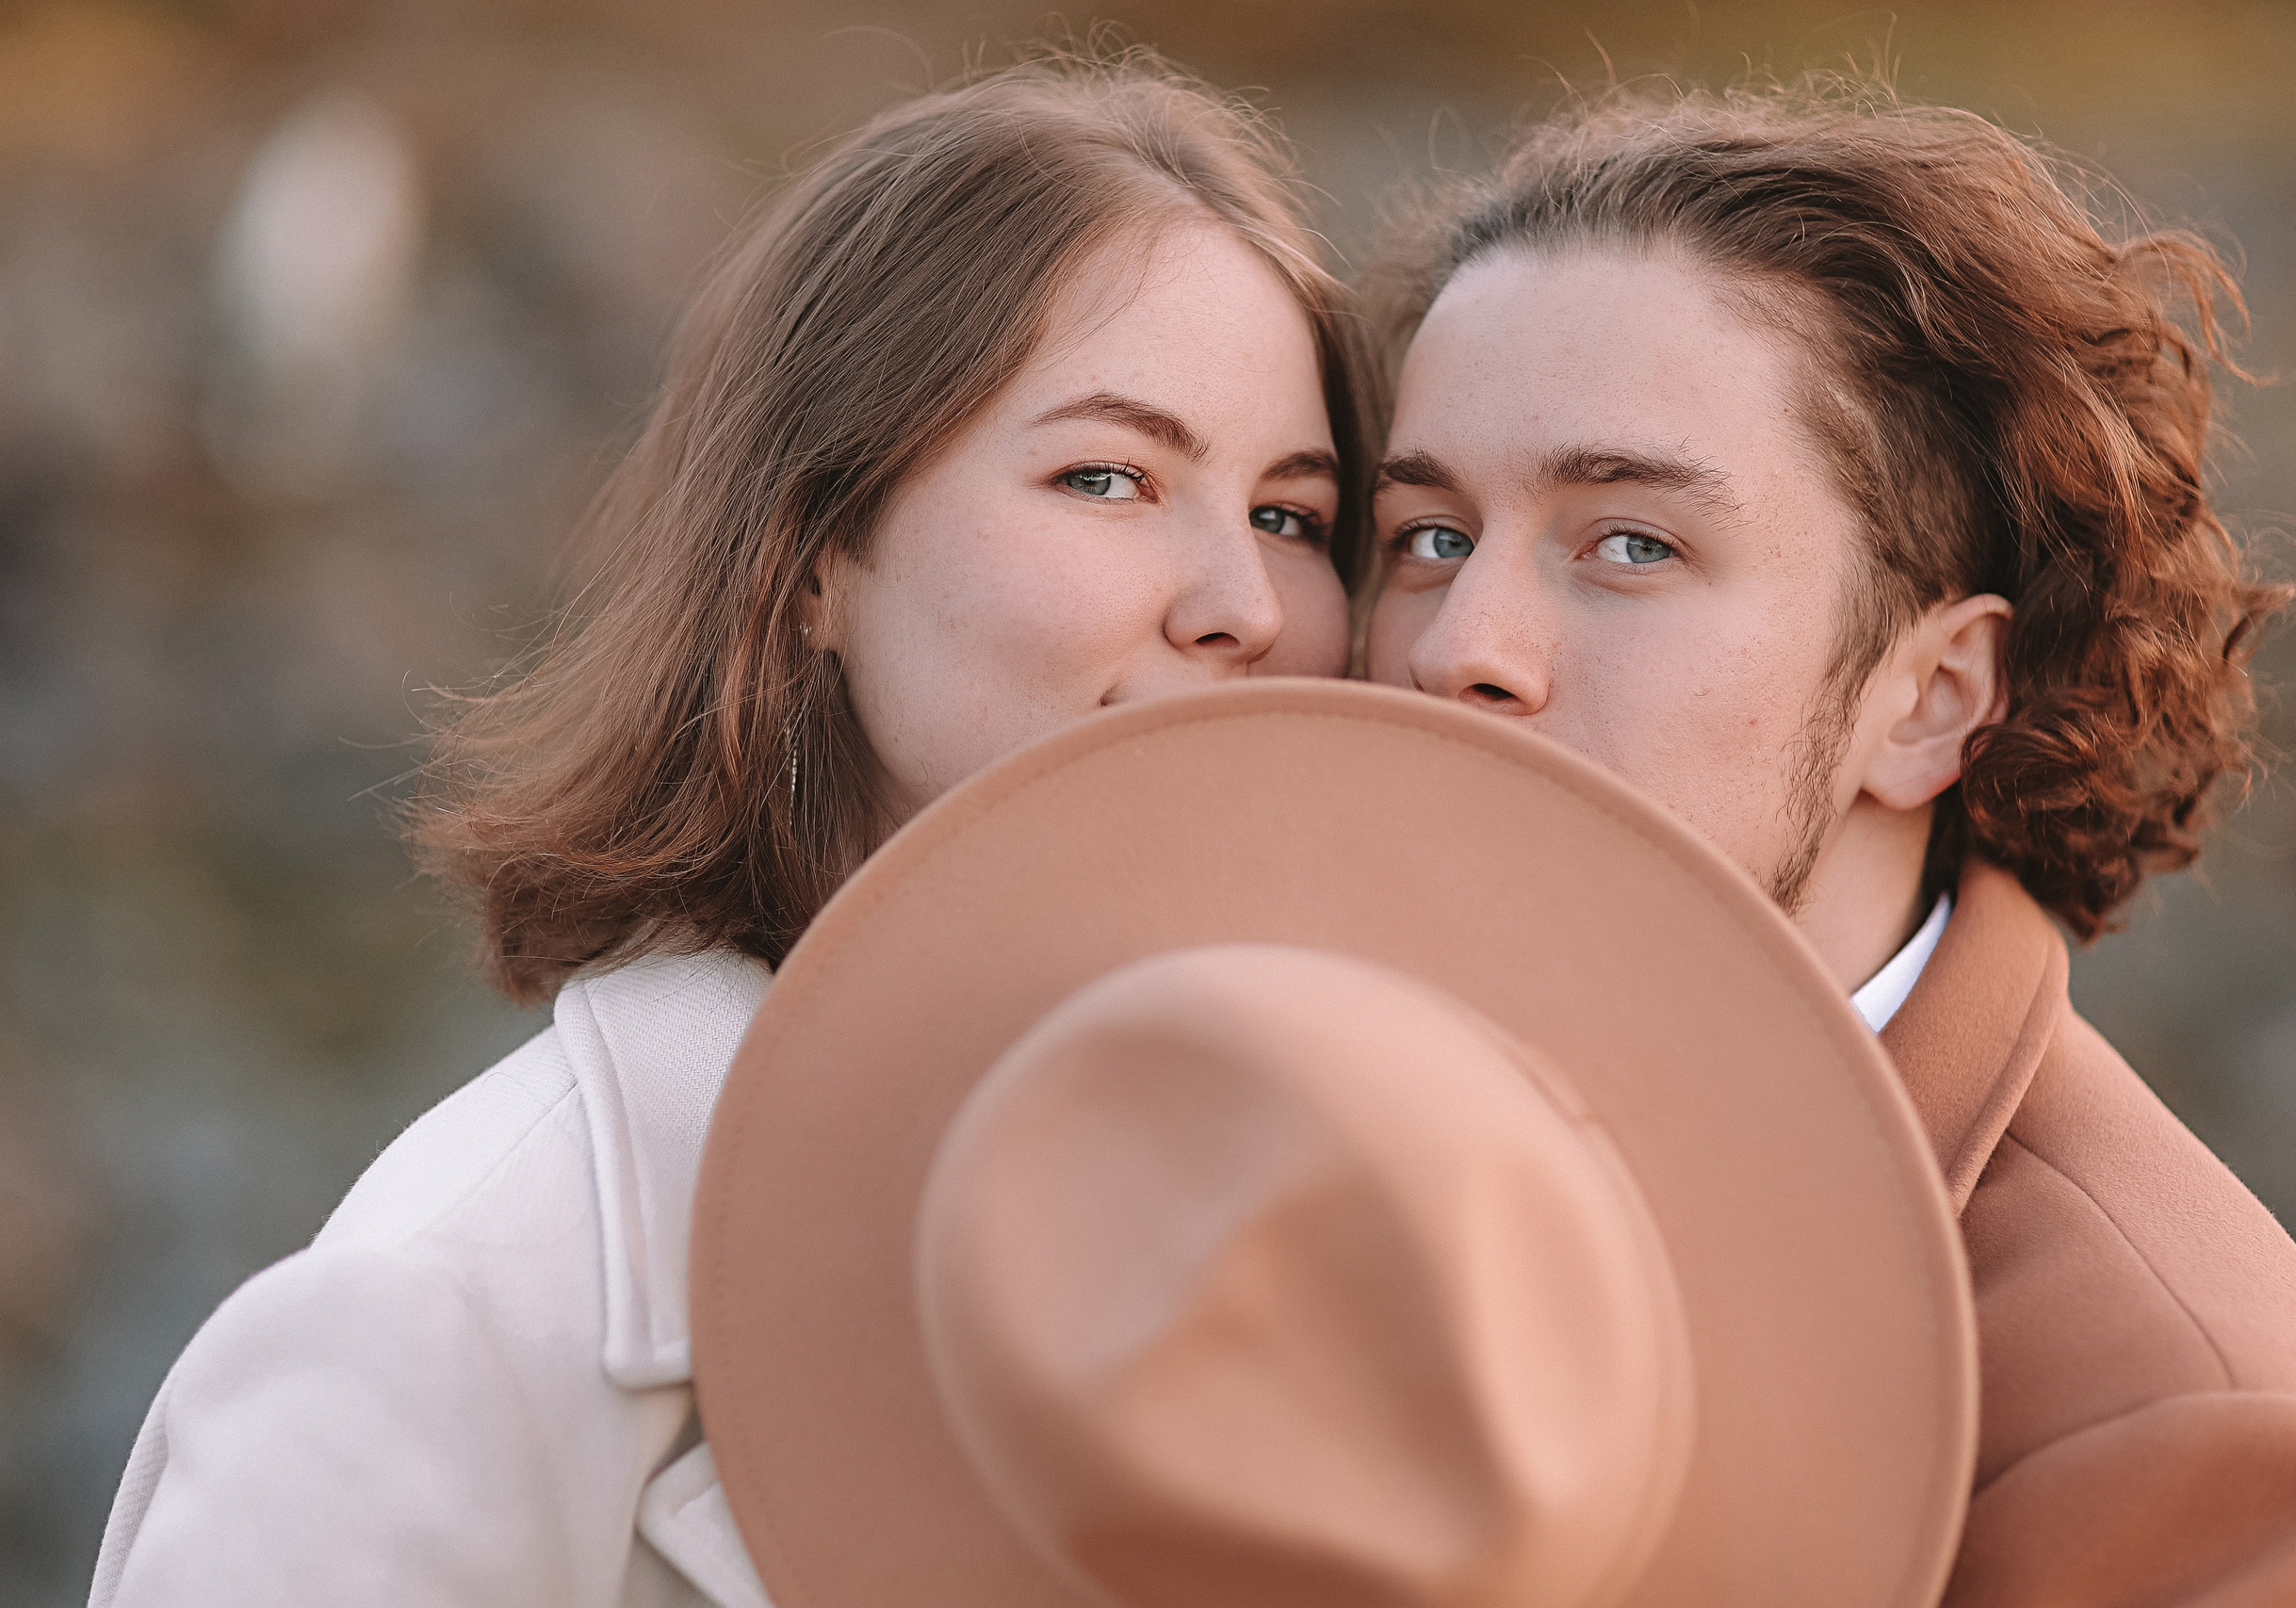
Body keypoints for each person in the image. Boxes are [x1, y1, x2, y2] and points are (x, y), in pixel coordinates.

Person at [89, 50, 1367, 1608]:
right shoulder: (446, 1327)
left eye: (1292, 516)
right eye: (1108, 476)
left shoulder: (1322, 1237)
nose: (1242, 605)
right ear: (818, 558)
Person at [1360, 79, 2296, 1604]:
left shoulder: (2173, 1413)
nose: (1461, 648)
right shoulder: (1252, 1037)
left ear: (1929, 699)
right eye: (1431, 537)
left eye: (1631, 544)